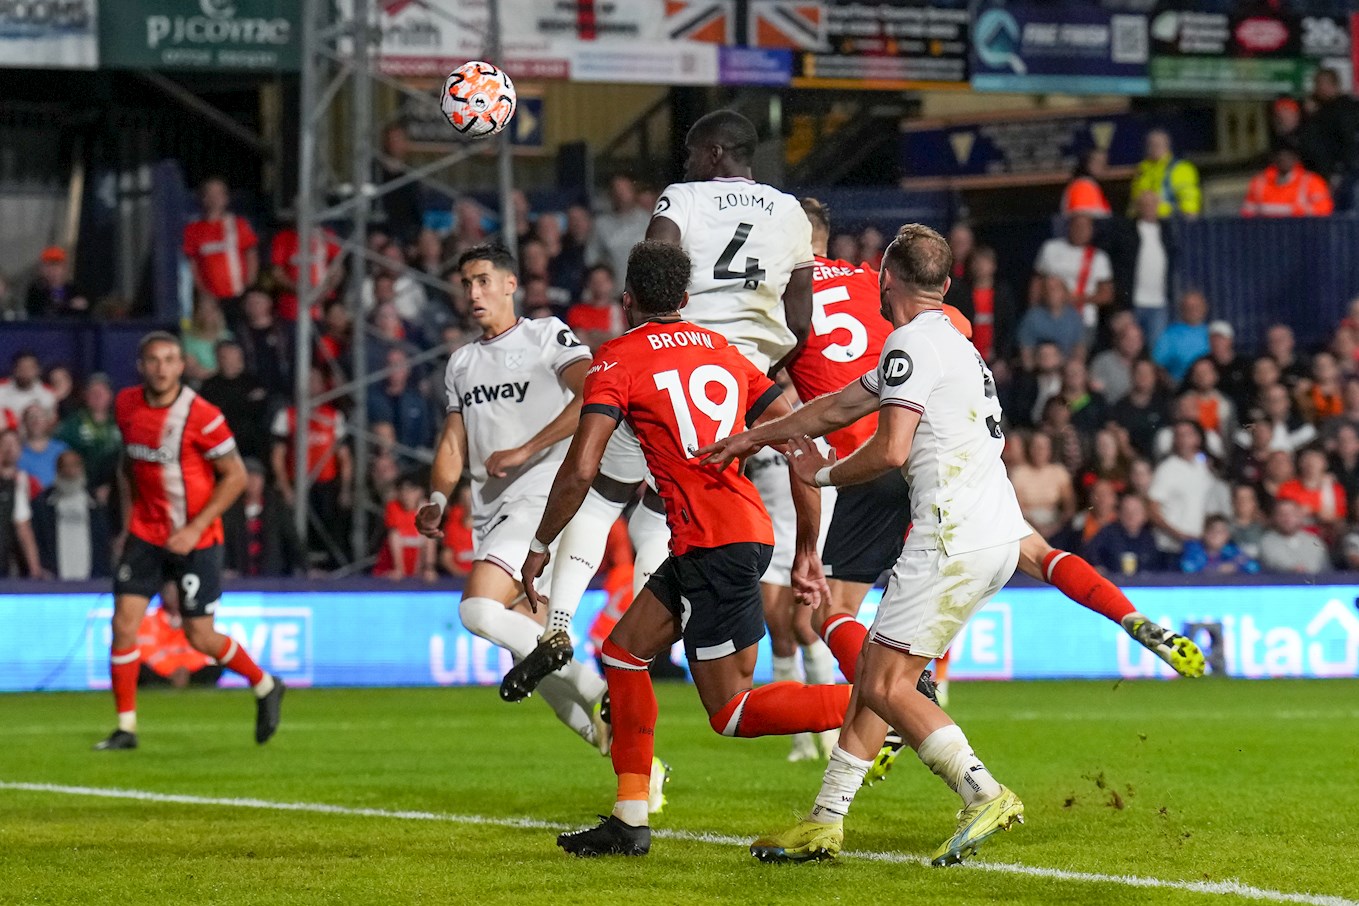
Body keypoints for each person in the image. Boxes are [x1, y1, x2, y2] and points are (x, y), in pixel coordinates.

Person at [699, 225, 1026, 867]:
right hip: (995, 533)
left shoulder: (908, 341)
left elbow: (890, 449)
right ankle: (825, 820)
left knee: (881, 682)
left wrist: (817, 474)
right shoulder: (949, 342)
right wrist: (753, 439)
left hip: (948, 535)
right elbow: (835, 408)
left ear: (887, 279)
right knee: (877, 675)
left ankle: (981, 791)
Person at [523, 240, 850, 858]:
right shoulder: (722, 350)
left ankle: (883, 702)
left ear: (627, 302)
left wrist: (541, 544)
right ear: (686, 299)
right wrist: (809, 548)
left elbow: (581, 467)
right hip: (731, 532)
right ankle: (629, 817)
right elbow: (804, 444)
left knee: (731, 711)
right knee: (621, 655)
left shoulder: (617, 359)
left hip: (714, 543)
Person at [507, 110, 818, 701]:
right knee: (671, 505)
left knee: (604, 493)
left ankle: (557, 625)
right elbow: (801, 317)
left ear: (718, 153)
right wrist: (765, 366)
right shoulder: (791, 212)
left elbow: (656, 262)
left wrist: (652, 320)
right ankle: (657, 630)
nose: (688, 163)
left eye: (695, 152)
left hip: (668, 368)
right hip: (738, 385)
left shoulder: (684, 198)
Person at [413, 243, 614, 760]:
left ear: (510, 283)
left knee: (479, 609)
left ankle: (601, 693)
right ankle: (617, 752)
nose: (473, 293)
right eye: (465, 284)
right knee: (527, 642)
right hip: (491, 511)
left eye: (482, 280)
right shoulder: (461, 363)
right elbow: (454, 442)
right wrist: (438, 495)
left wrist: (529, 447)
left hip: (543, 495)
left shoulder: (547, 335)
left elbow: (592, 395)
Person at [95, 332, 283, 751]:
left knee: (200, 636)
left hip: (197, 538)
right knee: (123, 625)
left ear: (182, 366)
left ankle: (266, 684)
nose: (162, 368)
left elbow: (235, 476)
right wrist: (128, 522)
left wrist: (195, 528)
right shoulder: (126, 405)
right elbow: (130, 464)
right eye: (154, 360)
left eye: (170, 360)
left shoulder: (202, 415)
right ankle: (126, 728)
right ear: (141, 366)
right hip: (146, 533)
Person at [1148, 420, 1228, 555]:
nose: (1183, 439)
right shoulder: (1167, 468)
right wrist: (1179, 535)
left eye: (1188, 434)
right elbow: (1152, 508)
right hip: (1172, 548)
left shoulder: (1204, 465)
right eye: (1179, 435)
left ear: (1198, 438)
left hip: (1203, 546)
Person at [31, 450, 111, 580]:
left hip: (92, 581)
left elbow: (104, 544)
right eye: (65, 466)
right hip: (54, 581)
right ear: (57, 470)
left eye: (74, 466)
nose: (70, 472)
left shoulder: (96, 505)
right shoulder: (42, 505)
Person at [1029, 214, 1113, 336]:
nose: (1080, 230)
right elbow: (1036, 282)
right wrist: (1033, 310)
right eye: (1077, 226)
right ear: (1069, 226)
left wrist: (1073, 299)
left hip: (1083, 320)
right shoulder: (1051, 248)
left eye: (1085, 227)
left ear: (1092, 230)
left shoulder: (1099, 257)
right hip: (1047, 316)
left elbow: (1107, 295)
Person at [221, 457, 306, 577]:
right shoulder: (230, 510)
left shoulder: (276, 509)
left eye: (257, 477)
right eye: (248, 477)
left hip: (272, 577)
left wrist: (304, 568)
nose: (253, 482)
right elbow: (223, 543)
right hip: (239, 578)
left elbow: (292, 540)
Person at [1109, 191, 1172, 344]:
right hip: (1133, 303)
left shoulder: (1166, 230)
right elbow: (1120, 269)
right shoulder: (1126, 230)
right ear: (1138, 207)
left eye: (1152, 204)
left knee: (1155, 349)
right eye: (1145, 205)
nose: (1149, 208)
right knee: (1128, 346)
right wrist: (1122, 305)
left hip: (1159, 303)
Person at [183, 177, 258, 305]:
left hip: (238, 293)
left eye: (218, 194)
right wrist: (203, 292)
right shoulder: (193, 229)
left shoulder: (238, 224)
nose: (214, 198)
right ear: (202, 198)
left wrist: (249, 287)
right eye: (209, 194)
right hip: (210, 297)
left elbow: (251, 255)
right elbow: (193, 264)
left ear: (226, 198)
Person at [200, 340, 270, 461]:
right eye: (225, 357)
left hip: (251, 447)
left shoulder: (254, 382)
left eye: (233, 357)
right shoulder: (209, 387)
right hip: (219, 446)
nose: (229, 362)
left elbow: (259, 412)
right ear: (218, 359)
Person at [57, 373, 121, 498]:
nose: (98, 396)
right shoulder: (72, 423)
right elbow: (60, 453)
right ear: (85, 395)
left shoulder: (121, 422)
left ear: (110, 395)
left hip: (115, 488)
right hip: (79, 487)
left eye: (102, 392)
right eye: (93, 392)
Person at [269, 221, 341, 322]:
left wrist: (325, 291)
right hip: (292, 305)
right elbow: (277, 272)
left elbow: (338, 268)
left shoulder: (327, 235)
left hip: (325, 303)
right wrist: (299, 289)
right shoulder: (283, 237)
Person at [1241, 140, 1334, 217]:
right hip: (1267, 235)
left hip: (1302, 234)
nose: (1284, 159)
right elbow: (1247, 212)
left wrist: (1295, 210)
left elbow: (1324, 209)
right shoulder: (1259, 182)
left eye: (1288, 156)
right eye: (1280, 156)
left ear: (1296, 159)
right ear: (1274, 159)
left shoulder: (1312, 182)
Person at [235, 289, 294, 399]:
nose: (254, 306)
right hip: (252, 388)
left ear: (269, 303)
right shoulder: (240, 333)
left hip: (285, 388)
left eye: (258, 302)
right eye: (249, 303)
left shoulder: (285, 329)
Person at [1128, 129, 1200, 218]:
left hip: (1169, 221)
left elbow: (1188, 197)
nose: (1154, 148)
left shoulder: (1181, 168)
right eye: (1150, 145)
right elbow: (1134, 199)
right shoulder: (1142, 169)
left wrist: (1190, 214)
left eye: (1158, 145)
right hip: (1142, 221)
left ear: (1167, 146)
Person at [377, 475, 437, 582]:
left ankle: (428, 570)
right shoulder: (393, 506)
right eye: (403, 491)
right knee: (394, 535)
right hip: (395, 562)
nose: (407, 495)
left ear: (420, 492)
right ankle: (399, 569)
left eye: (411, 491)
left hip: (417, 562)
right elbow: (396, 534)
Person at [1085, 494, 1164, 575]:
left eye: (1135, 511)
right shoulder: (1107, 533)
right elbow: (1089, 553)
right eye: (1126, 510)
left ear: (1145, 515)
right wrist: (1098, 567)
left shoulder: (1149, 538)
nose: (1131, 515)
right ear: (1119, 514)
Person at [589, 174, 652, 275]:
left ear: (633, 192)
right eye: (617, 191)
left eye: (624, 190)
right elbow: (592, 259)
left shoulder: (648, 221)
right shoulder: (601, 225)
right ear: (611, 195)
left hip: (642, 287)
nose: (621, 195)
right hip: (613, 288)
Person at [0, 429, 42, 577]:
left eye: (13, 444)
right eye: (5, 444)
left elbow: (24, 528)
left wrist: (34, 568)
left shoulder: (24, 482)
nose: (9, 449)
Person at [1018, 276, 1085, 367]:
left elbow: (1079, 350)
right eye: (1048, 289)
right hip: (1039, 369)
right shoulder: (1032, 317)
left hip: (1065, 370)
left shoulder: (1074, 318)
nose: (1052, 293)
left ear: (1064, 292)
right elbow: (1026, 351)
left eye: (1056, 289)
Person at [1258, 498, 1330, 574]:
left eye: (1292, 513)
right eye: (1282, 514)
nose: (1287, 518)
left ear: (1300, 516)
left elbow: (1327, 571)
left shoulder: (1314, 541)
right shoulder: (1265, 542)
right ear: (1274, 517)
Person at [1152, 290, 1210, 384]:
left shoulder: (1212, 333)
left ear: (1204, 308)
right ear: (1181, 310)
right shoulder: (1170, 333)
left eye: (1196, 306)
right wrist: (1170, 385)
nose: (1193, 310)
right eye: (1188, 307)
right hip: (1178, 387)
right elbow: (1158, 365)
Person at [566, 264, 626, 350]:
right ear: (588, 284)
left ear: (611, 283)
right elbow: (581, 342)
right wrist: (607, 337)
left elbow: (620, 341)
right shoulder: (577, 311)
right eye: (595, 281)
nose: (599, 284)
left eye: (603, 280)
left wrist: (595, 335)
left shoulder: (620, 311)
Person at [1181, 515, 1258, 575]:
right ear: (1204, 533)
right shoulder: (1194, 548)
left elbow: (1253, 567)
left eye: (1221, 531)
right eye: (1212, 530)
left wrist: (1235, 566)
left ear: (1228, 535)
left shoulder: (1231, 551)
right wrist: (1216, 569)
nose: (1216, 535)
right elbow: (1188, 567)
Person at [24, 246, 88, 318]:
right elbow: (40, 310)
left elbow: (82, 309)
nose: (52, 270)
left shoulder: (74, 289)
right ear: (41, 269)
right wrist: (69, 305)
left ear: (64, 268)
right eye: (48, 266)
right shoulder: (36, 290)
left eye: (56, 265)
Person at [182, 294, 234, 382]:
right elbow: (191, 370)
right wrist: (219, 373)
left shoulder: (227, 335)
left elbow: (234, 366)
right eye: (203, 310)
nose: (208, 314)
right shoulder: (188, 338)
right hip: (201, 384)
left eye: (212, 309)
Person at [0, 351, 56, 427]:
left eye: (30, 368)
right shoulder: (2, 389)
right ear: (14, 369)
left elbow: (50, 423)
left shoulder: (46, 393)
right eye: (22, 367)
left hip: (34, 437)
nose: (26, 372)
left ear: (38, 370)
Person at [18, 404, 68, 489]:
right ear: (24, 422)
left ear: (47, 421)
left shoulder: (61, 449)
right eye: (31, 417)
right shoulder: (17, 452)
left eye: (40, 417)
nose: (36, 421)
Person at [1060, 148, 1112, 218]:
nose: (1103, 166)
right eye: (1098, 162)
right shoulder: (1083, 186)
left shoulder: (1091, 184)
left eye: (1105, 162)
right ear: (1087, 163)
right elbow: (1082, 219)